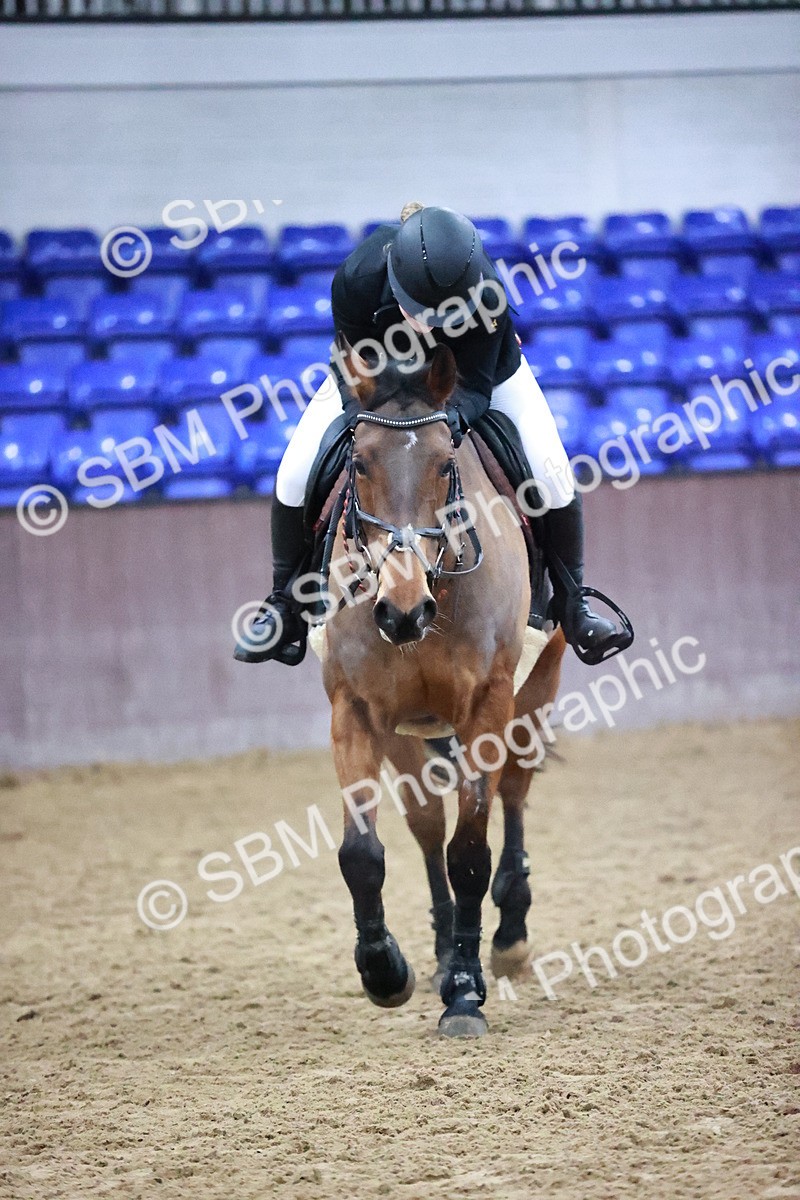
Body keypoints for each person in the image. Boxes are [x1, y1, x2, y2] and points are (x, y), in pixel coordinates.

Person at [235, 203, 629, 665]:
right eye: (421, 311)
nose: (433, 324)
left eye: (445, 314)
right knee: (293, 473)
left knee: (552, 471)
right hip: (378, 376)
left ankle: (573, 601)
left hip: (478, 376)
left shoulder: (486, 292)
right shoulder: (358, 279)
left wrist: (447, 422)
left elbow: (476, 386)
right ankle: (285, 605)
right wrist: (364, 417)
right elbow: (350, 367)